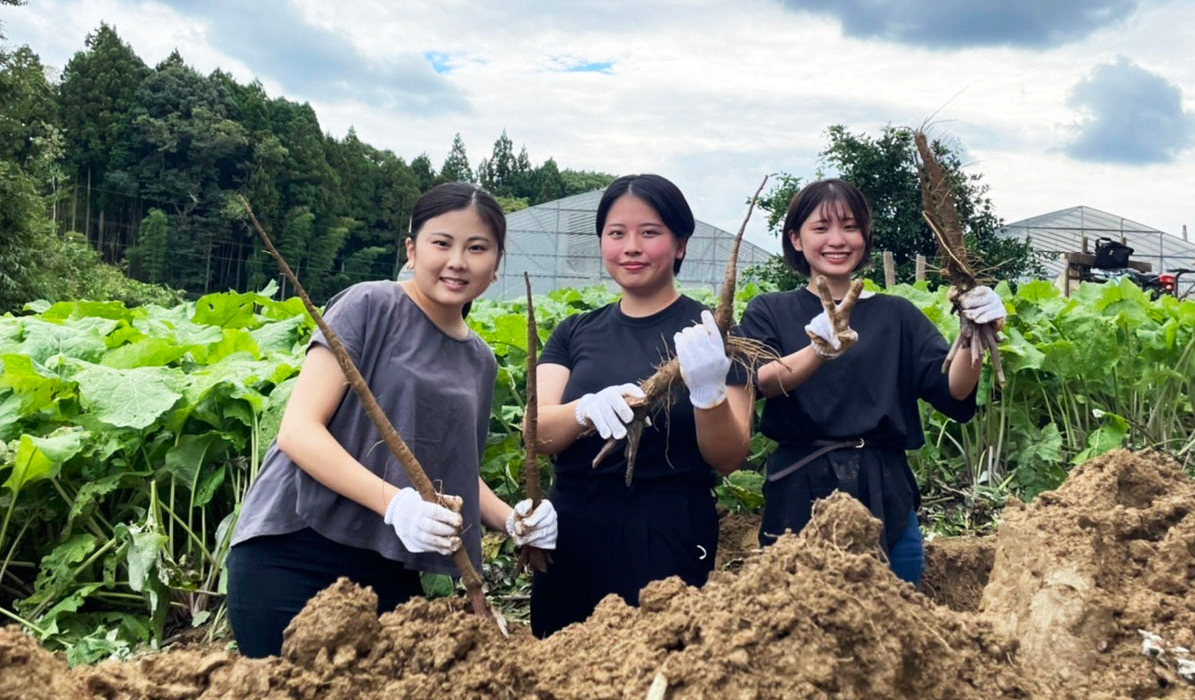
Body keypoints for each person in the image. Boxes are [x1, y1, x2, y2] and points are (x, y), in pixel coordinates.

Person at [226, 183, 556, 657]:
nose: (457, 261)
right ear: (411, 249)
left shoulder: (480, 361)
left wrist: (514, 520)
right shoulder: (370, 305)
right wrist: (396, 505)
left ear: (496, 261)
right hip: (294, 546)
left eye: (477, 248)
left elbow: (457, 473)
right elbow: (299, 431)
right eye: (441, 243)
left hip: (387, 565)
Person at [737, 179, 1005, 587]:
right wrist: (818, 349)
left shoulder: (897, 315)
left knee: (897, 617)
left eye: (850, 226)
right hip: (799, 489)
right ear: (795, 239)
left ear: (865, 235)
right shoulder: (770, 309)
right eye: (821, 228)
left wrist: (972, 336)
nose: (837, 240)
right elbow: (762, 381)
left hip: (886, 488)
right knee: (795, 624)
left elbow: (954, 390)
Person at [528, 174, 753, 637]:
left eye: (649, 233)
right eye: (617, 233)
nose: (631, 246)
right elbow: (536, 432)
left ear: (680, 244)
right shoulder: (574, 331)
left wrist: (709, 393)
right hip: (572, 527)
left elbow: (729, 457)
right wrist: (583, 410)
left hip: (668, 528)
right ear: (602, 243)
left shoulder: (713, 334)